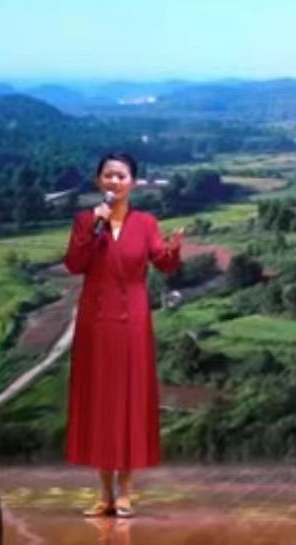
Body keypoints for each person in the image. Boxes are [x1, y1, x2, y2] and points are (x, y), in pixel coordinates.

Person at [64, 152, 183, 518]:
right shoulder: (86, 220)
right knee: (102, 404)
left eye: (121, 176)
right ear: (98, 181)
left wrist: (173, 249)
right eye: (108, 175)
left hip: (132, 323)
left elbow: (163, 264)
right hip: (96, 322)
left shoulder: (146, 223)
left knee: (128, 403)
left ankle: (126, 492)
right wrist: (92, 228)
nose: (114, 181)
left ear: (133, 182)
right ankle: (104, 494)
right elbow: (75, 264)